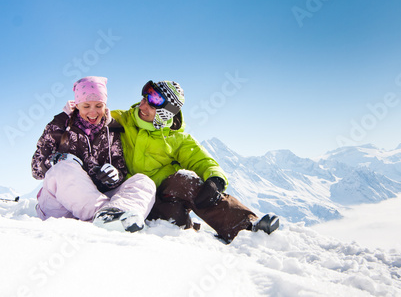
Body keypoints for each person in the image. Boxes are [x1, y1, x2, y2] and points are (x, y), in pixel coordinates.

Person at [110, 80, 279, 243]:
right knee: (175, 218)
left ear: (165, 114)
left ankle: (247, 227)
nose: (142, 106)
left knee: (185, 181)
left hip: (159, 195)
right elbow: (92, 114)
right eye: (143, 99)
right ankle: (190, 229)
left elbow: (200, 159)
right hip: (129, 196)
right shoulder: (123, 119)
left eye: (151, 105)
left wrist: (215, 179)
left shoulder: (176, 137)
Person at [31, 76, 156, 232]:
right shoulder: (59, 126)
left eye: (98, 105)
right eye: (86, 106)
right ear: (77, 105)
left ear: (105, 105)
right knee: (64, 168)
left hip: (97, 198)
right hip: (61, 209)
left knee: (143, 181)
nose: (93, 112)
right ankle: (110, 217)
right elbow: (36, 169)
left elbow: (120, 167)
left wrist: (114, 175)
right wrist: (57, 160)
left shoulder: (112, 129)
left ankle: (115, 214)